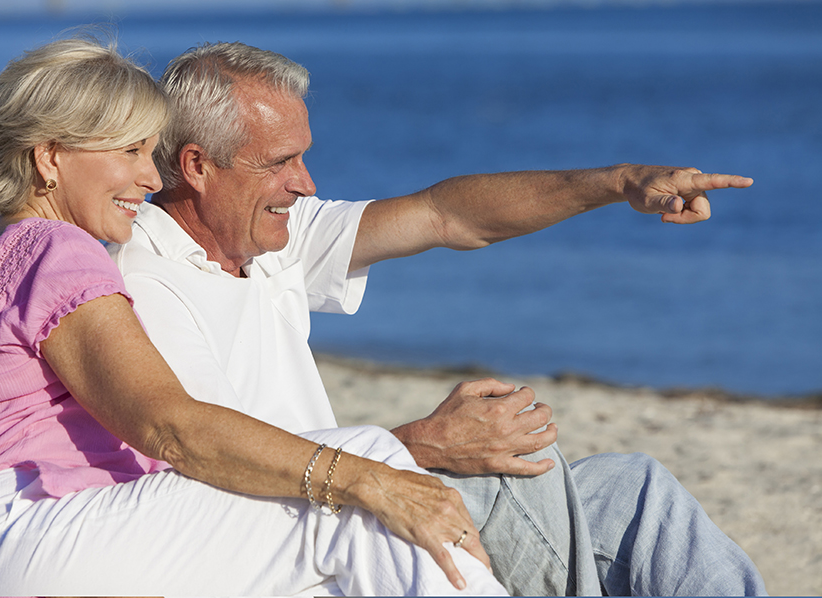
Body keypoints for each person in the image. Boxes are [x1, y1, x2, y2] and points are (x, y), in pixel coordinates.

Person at [108, 41, 768, 596]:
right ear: (197, 166)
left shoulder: (266, 236)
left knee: (632, 490)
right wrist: (420, 445)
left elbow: (445, 215)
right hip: (300, 552)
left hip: (354, 497)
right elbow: (208, 483)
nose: (305, 183)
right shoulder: (143, 284)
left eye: (302, 157)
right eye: (281, 163)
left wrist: (618, 181)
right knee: (519, 488)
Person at [0, 36, 511, 597]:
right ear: (50, 157)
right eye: (129, 151)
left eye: (151, 153)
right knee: (363, 474)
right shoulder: (57, 250)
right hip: (33, 532)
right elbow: (171, 427)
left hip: (1, 548)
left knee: (333, 547)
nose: (152, 178)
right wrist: (371, 475)